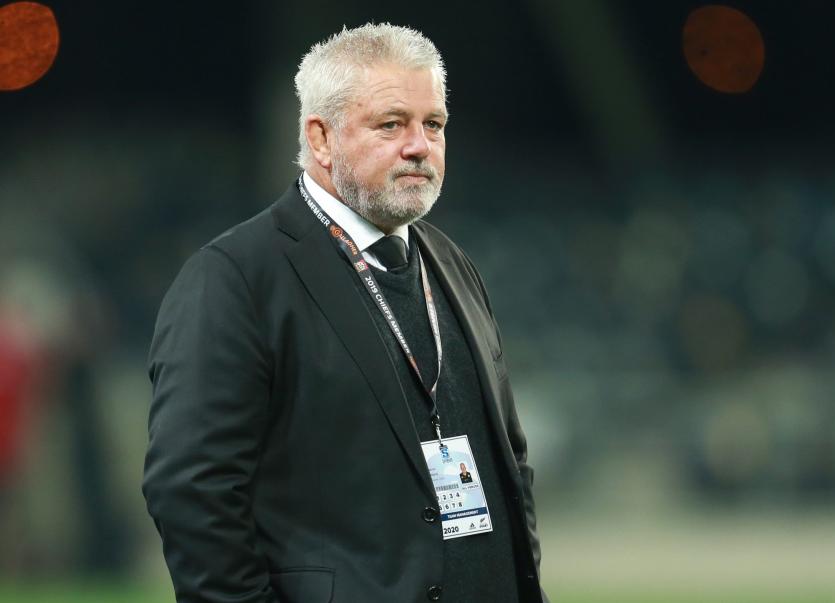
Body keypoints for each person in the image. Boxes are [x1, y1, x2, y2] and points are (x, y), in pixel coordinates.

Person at [143, 23, 546, 603]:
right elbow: (193, 493)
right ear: (322, 137)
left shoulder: (449, 261)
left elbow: (509, 460)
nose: (418, 146)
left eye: (433, 124)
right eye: (391, 124)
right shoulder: (236, 277)